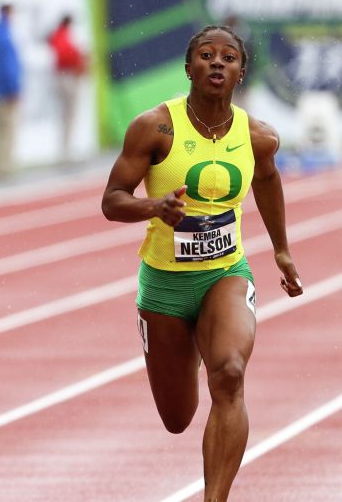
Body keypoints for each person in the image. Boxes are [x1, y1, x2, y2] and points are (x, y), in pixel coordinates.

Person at [101, 25, 303, 502]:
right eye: (206, 55)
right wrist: (155, 208)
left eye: (228, 57)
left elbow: (267, 182)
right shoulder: (155, 127)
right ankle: (187, 344)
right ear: (188, 68)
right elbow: (111, 201)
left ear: (241, 71)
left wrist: (281, 248)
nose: (217, 62)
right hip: (165, 285)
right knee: (177, 418)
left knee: (230, 373)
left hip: (225, 274)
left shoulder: (257, 136)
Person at [0, 3, 22, 179]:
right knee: (7, 128)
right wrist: (13, 87)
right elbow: (9, 66)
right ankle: (4, 167)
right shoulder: (5, 35)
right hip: (6, 89)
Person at [48, 14, 86, 162]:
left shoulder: (59, 35)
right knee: (69, 115)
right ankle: (66, 151)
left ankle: (66, 148)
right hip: (67, 77)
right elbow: (65, 56)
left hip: (64, 76)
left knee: (67, 115)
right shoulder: (63, 36)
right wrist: (79, 57)